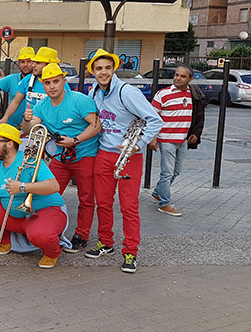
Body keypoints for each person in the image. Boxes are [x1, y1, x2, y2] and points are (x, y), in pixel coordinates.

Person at [85, 49, 162, 274]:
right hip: (104, 154)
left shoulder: (127, 92)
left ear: (114, 69)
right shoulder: (93, 93)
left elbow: (155, 120)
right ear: (93, 72)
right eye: (99, 68)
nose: (103, 72)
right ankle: (105, 243)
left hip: (129, 156)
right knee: (103, 203)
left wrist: (139, 144)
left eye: (108, 68)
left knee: (129, 207)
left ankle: (130, 252)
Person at [21, 63, 101, 254]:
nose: (52, 86)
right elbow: (30, 131)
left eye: (56, 81)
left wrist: (75, 140)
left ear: (64, 81)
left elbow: (97, 126)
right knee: (48, 194)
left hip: (85, 154)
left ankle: (82, 235)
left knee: (86, 198)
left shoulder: (79, 100)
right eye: (47, 83)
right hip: (60, 155)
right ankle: (48, 230)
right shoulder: (42, 105)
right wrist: (26, 119)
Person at [0, 124, 66, 269]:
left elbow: (54, 186)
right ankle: (5, 240)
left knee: (40, 234)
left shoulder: (31, 161)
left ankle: (52, 252)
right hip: (15, 215)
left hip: (45, 210)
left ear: (10, 144)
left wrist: (23, 187)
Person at [149, 65, 205, 217]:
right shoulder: (163, 94)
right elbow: (152, 118)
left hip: (182, 140)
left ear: (190, 79)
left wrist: (195, 133)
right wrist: (153, 138)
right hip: (166, 139)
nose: (178, 78)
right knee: (167, 172)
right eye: (177, 75)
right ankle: (164, 203)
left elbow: (197, 116)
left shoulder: (193, 94)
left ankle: (157, 192)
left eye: (182, 76)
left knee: (176, 171)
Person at [0, 47, 69, 129]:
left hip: (51, 130)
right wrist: (4, 118)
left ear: (49, 65)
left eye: (38, 63)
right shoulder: (28, 79)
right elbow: (16, 102)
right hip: (29, 128)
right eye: (34, 62)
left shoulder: (62, 85)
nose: (33, 65)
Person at [0, 47, 35, 127]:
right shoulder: (11, 79)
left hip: (31, 126)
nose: (25, 65)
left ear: (34, 63)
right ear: (19, 63)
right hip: (11, 125)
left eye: (28, 61)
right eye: (22, 62)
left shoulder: (40, 82)